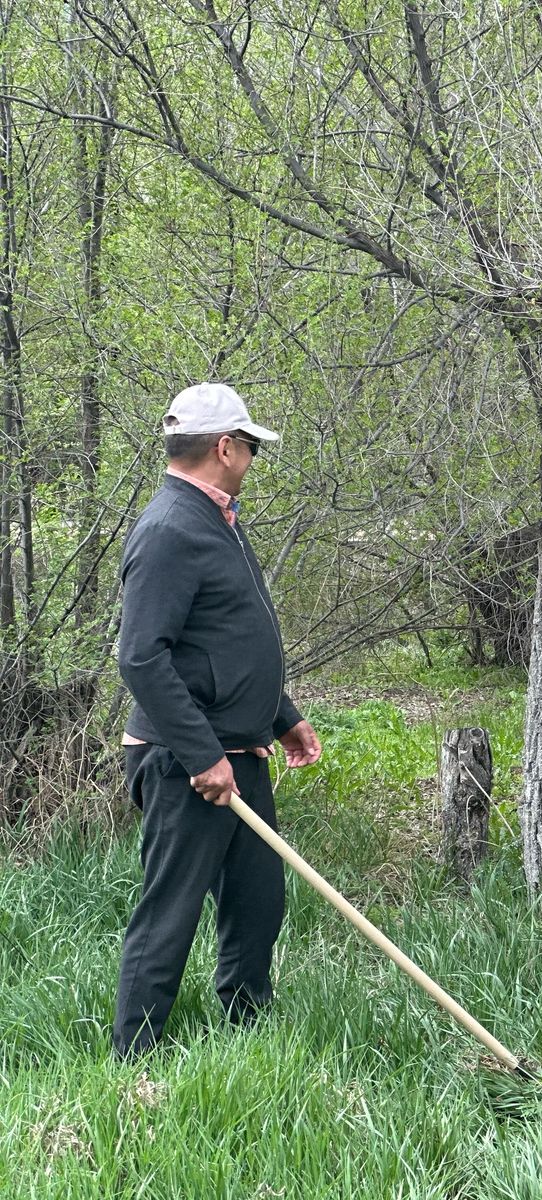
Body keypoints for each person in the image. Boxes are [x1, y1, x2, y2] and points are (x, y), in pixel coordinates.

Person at [113, 382, 322, 1058]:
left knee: (258, 905)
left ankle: (247, 1039)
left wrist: (281, 716)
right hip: (185, 761)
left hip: (241, 749)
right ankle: (133, 1060)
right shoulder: (170, 528)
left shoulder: (217, 518)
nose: (253, 459)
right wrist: (203, 756)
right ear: (225, 447)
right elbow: (142, 658)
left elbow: (228, 637)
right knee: (170, 911)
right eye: (251, 447)